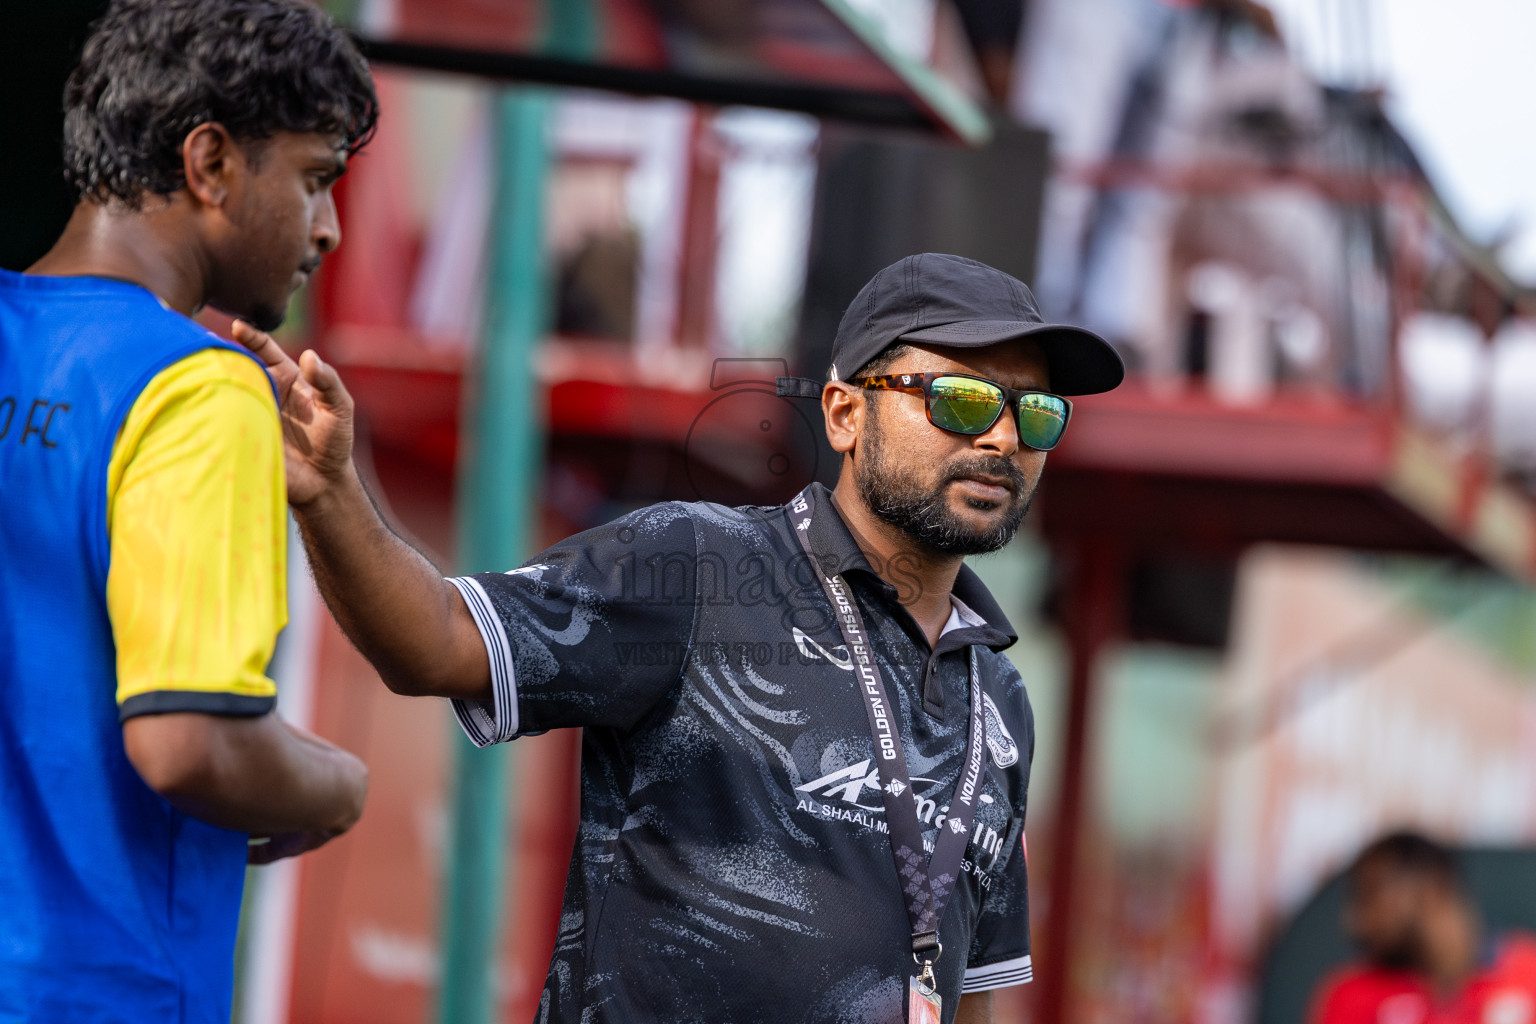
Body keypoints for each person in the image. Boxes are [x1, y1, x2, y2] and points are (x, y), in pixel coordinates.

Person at [241, 252, 1125, 1023]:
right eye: (963, 400)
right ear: (845, 413)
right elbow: (434, 639)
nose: (1004, 437)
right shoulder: (699, 566)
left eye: (1037, 414)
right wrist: (330, 493)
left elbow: (976, 991)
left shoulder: (997, 699)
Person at [0, 1, 377, 1020]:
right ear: (210, 164)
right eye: (314, 178)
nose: (330, 227)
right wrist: (336, 783)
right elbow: (191, 743)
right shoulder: (196, 389)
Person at [1309, 831, 1536, 1024]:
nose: (1357, 921)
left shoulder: (1523, 972)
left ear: (1432, 893)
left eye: (1373, 895)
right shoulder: (1353, 994)